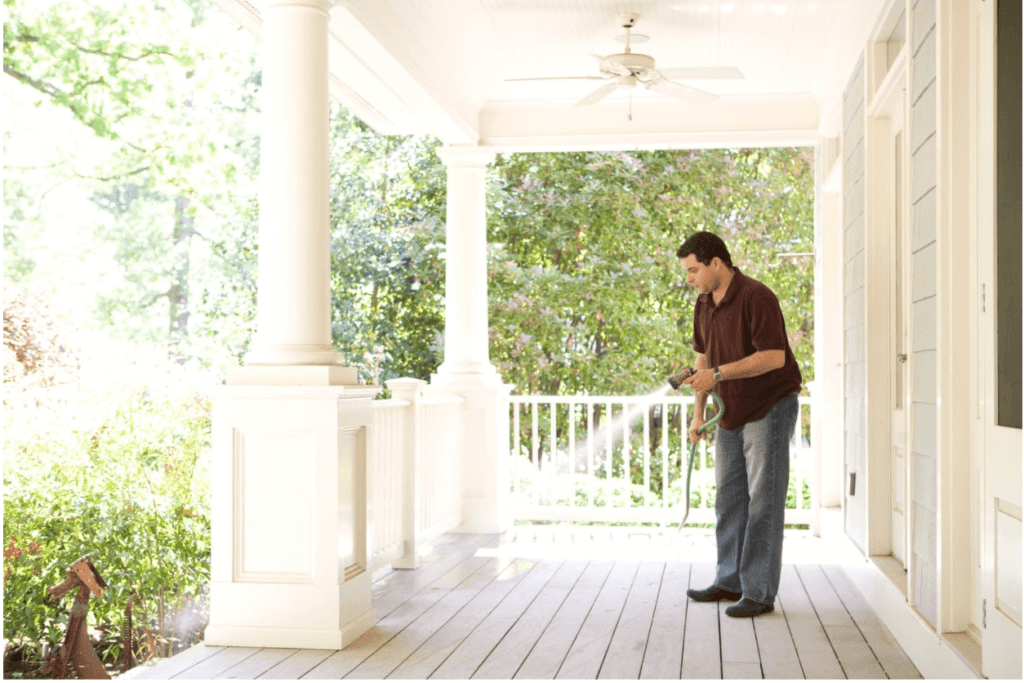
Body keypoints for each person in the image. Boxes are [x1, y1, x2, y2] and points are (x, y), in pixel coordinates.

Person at [677, 231, 802, 618]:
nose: (690, 278)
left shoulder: (756, 296)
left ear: (717, 263)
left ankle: (759, 592)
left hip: (769, 407)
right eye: (686, 272)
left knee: (762, 501)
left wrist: (718, 373)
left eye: (694, 270)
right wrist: (699, 415)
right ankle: (729, 579)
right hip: (728, 411)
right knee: (728, 500)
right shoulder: (703, 303)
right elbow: (702, 362)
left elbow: (774, 357)